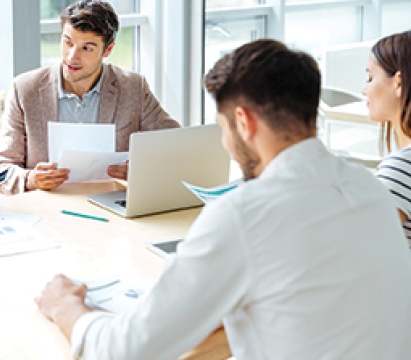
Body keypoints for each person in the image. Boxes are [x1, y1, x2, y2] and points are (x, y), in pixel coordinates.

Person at [35, 39, 411, 359]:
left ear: (244, 122)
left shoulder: (245, 214)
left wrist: (67, 307)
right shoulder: (369, 189)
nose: (225, 143)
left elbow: (128, 349)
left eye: (223, 128)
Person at [0, 0, 179, 193]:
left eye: (87, 48)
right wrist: (31, 179)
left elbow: (177, 145)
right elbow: (1, 169)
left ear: (108, 50)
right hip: (47, 209)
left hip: (111, 207)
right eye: (68, 42)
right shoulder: (24, 89)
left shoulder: (133, 87)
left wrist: (142, 169)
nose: (72, 57)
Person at [362, 30, 411, 246]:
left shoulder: (402, 168)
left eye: (370, 77)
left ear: (398, 82)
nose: (364, 90)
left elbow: (366, 247)